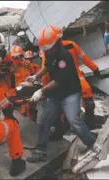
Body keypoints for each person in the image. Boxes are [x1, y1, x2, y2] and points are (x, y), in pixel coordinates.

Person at [25, 26, 96, 162]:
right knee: (45, 120)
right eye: (44, 49)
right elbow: (47, 66)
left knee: (73, 119)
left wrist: (41, 91)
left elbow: (58, 81)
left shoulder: (65, 56)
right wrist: (36, 76)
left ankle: (91, 143)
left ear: (57, 43)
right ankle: (41, 150)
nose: (46, 51)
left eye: (48, 48)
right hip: (56, 94)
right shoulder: (49, 53)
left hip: (70, 93)